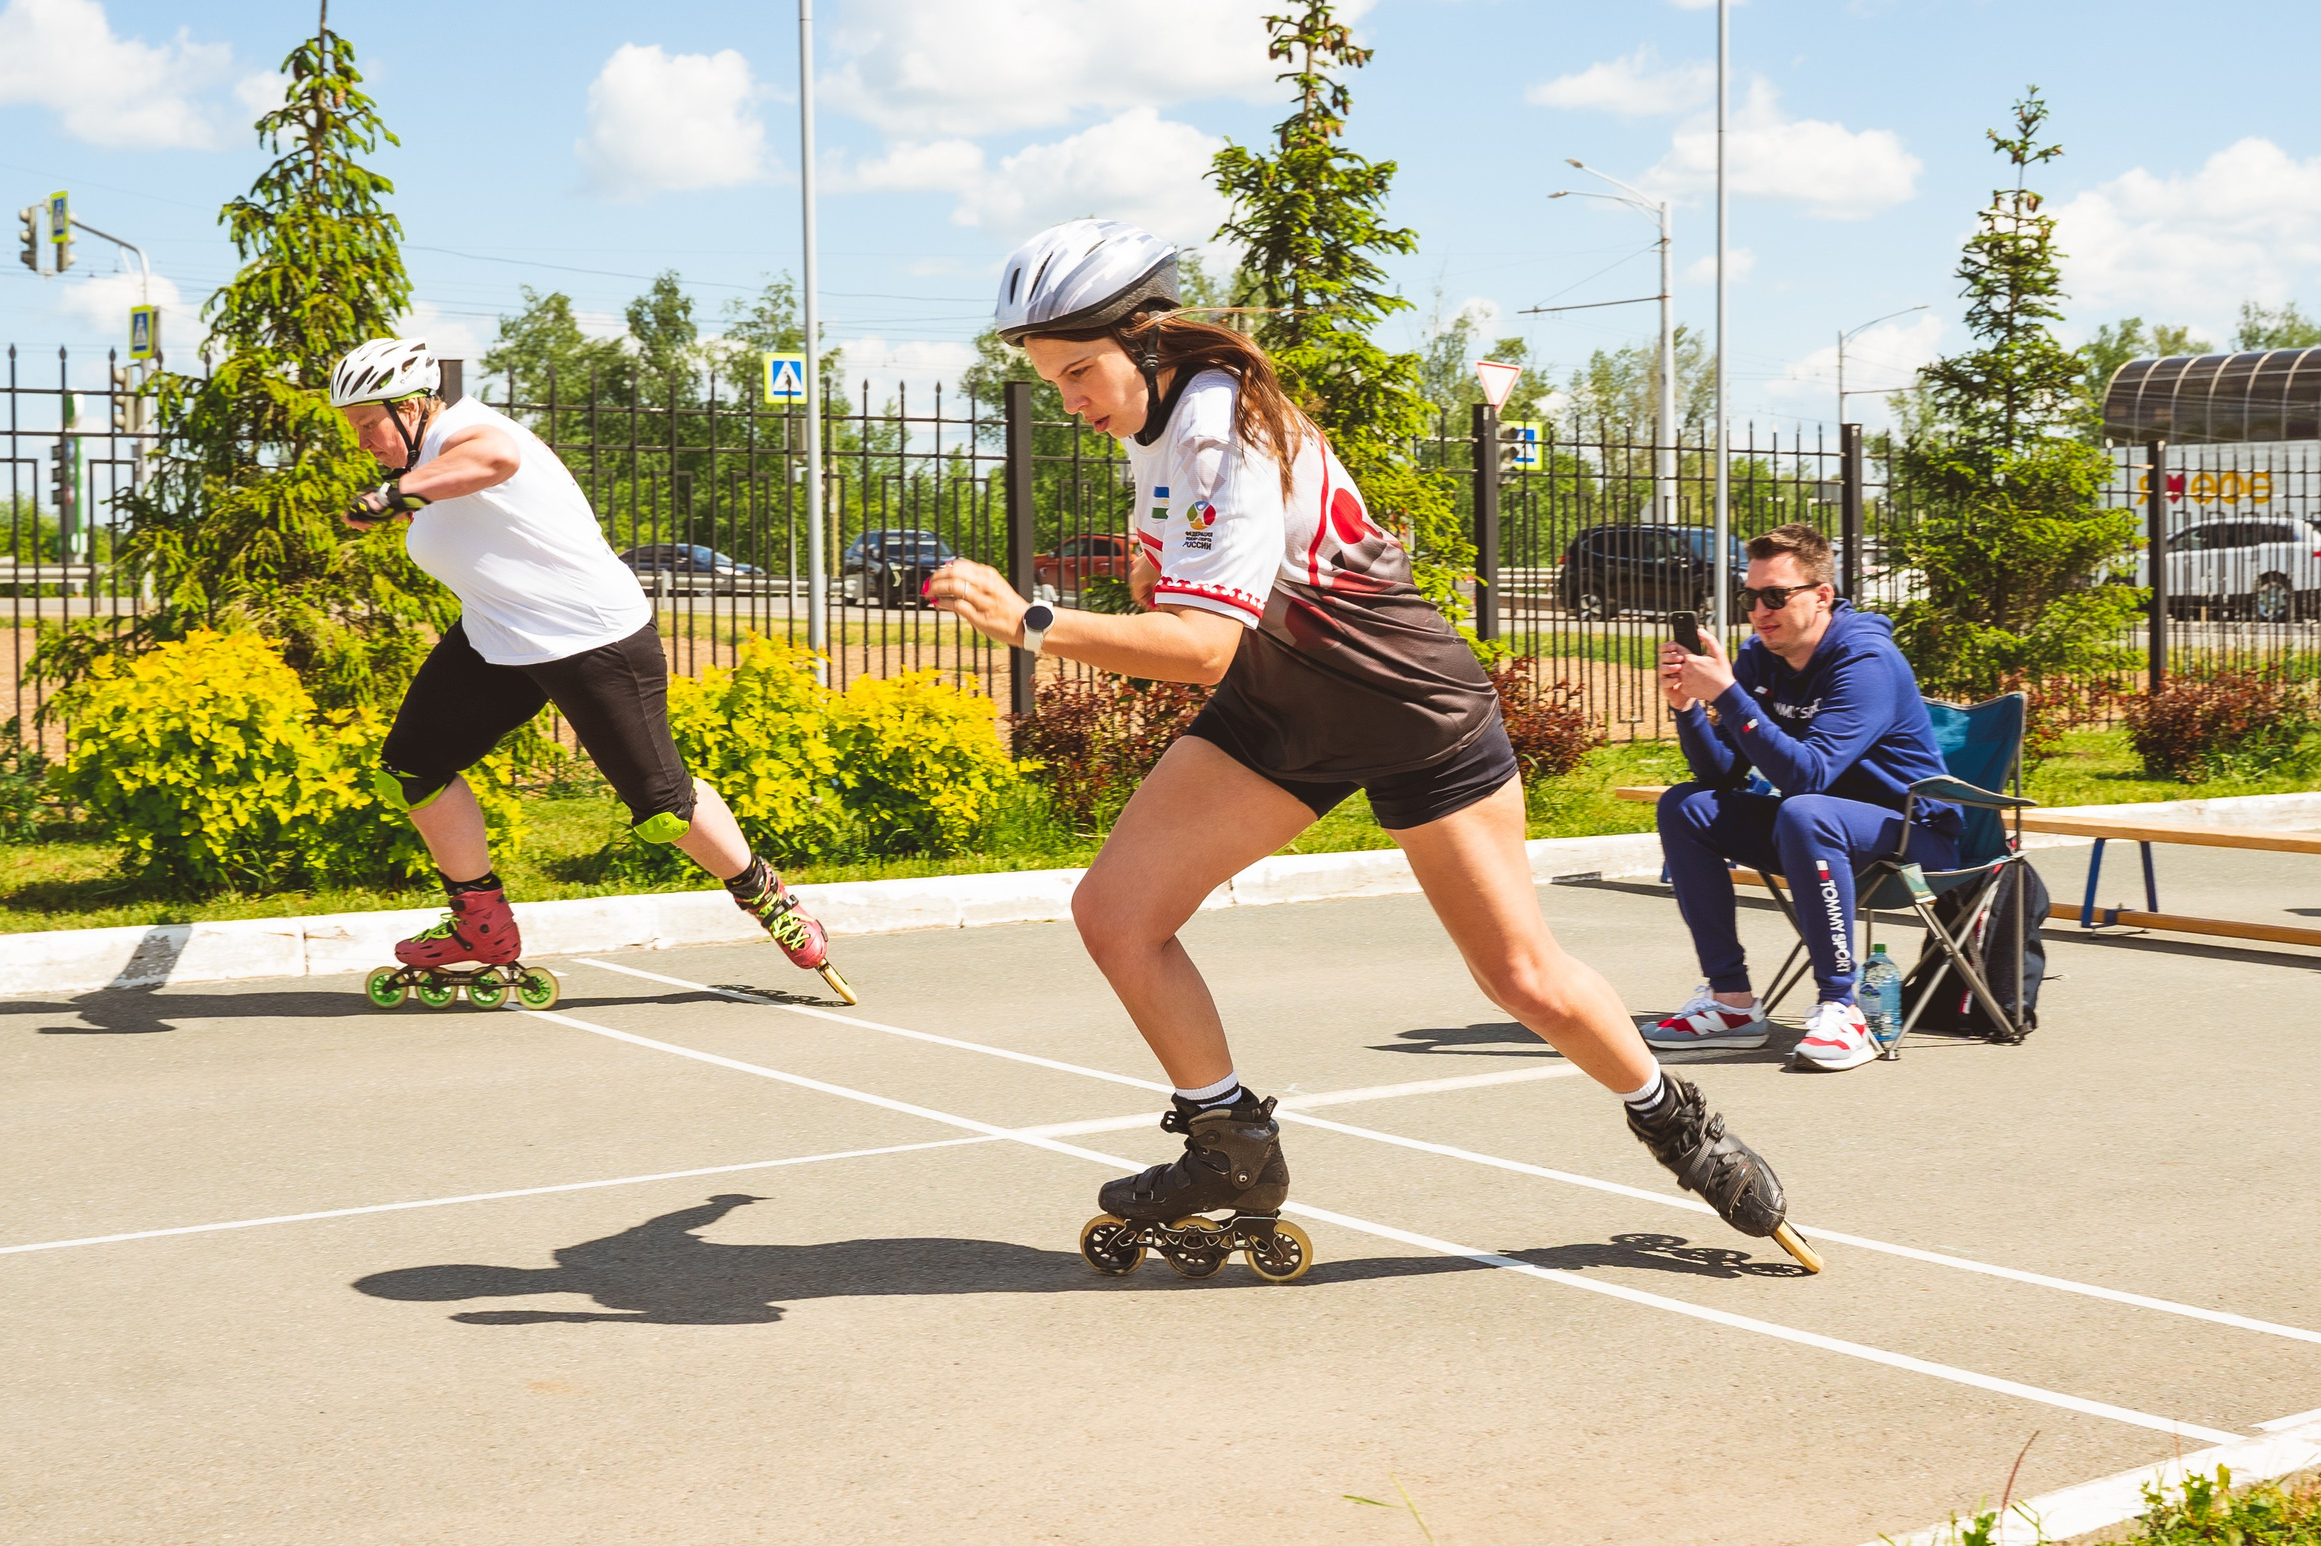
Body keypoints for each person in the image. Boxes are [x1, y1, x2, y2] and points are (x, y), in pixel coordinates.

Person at [926, 220, 1818, 1273]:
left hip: (1406, 710)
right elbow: (1196, 600)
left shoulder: (1218, 432)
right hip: (1281, 710)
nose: (1069, 398)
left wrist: (1030, 622)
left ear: (1151, 338)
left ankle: (1681, 1128)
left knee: (1519, 976)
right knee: (1116, 914)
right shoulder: (1160, 422)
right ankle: (1227, 1144)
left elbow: (1205, 647)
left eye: (1079, 370)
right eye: (1050, 378)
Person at [327, 337, 854, 1005]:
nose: (365, 442)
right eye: (357, 430)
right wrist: (402, 489)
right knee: (411, 766)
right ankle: (479, 924)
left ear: (410, 407)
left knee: (662, 808)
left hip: (593, 640)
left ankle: (767, 895)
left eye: (370, 425)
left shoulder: (467, 431)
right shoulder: (432, 454)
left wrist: (396, 495)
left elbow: (497, 458)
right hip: (498, 639)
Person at [1649, 521, 1955, 1071]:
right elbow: (1720, 774)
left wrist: (1729, 695)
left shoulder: (1865, 661)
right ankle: (1732, 1003)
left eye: (1775, 596)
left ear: (1821, 597)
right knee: (1685, 806)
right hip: (1813, 829)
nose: (1761, 611)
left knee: (1804, 810)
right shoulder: (1760, 658)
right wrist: (1689, 710)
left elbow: (1808, 777)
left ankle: (1843, 1008)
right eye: (1751, 597)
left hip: (1912, 834)